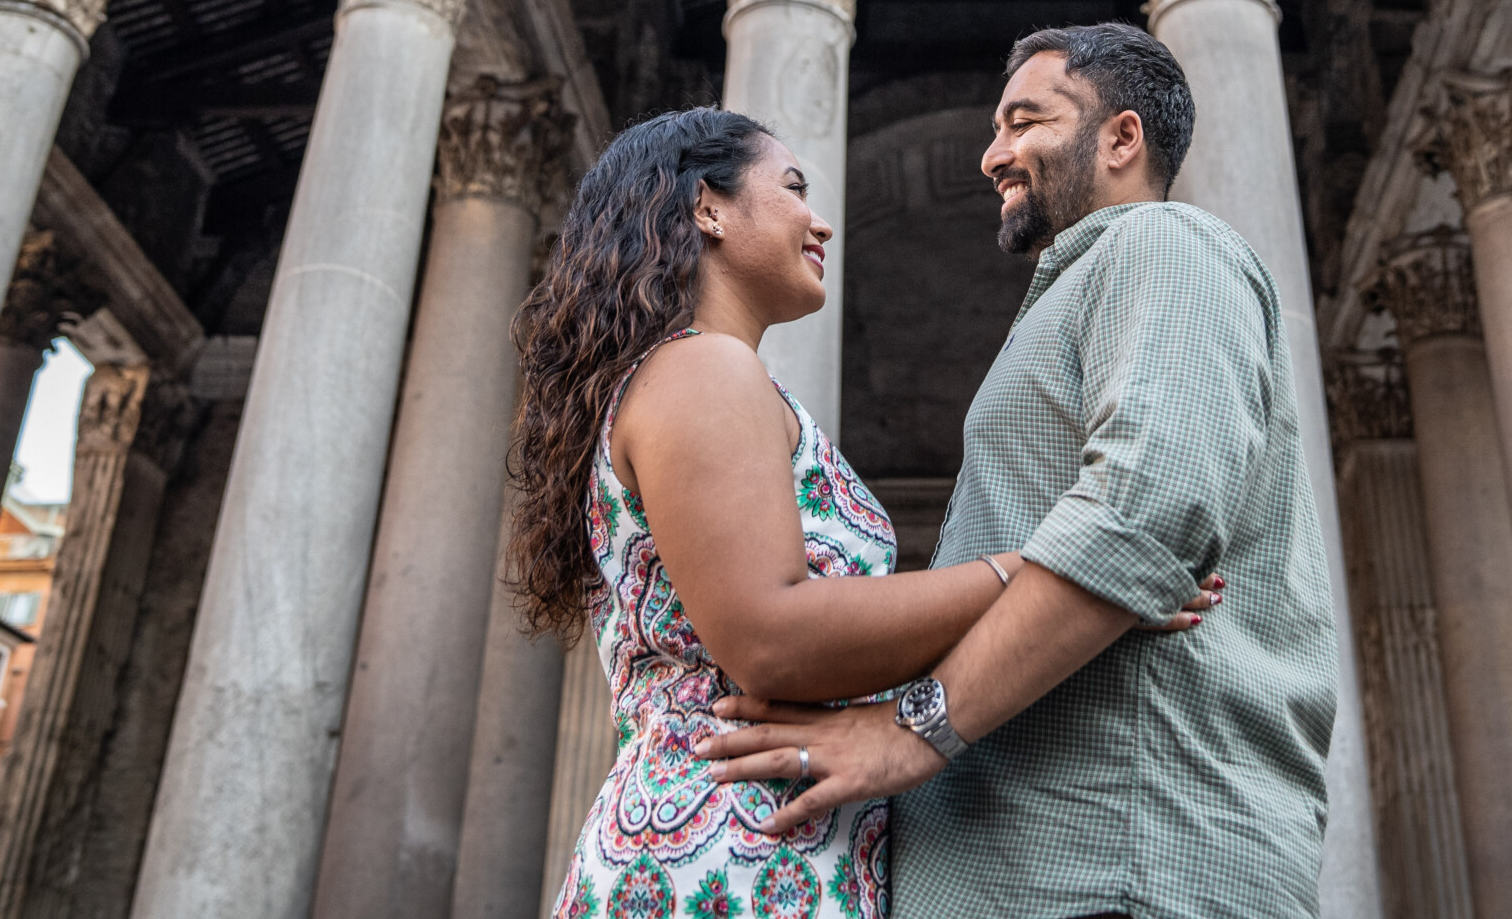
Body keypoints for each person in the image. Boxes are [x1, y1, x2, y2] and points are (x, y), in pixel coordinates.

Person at [506, 105, 1217, 919]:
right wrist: (1049, 571)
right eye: (795, 188)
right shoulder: (705, 368)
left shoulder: (692, 376)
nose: (822, 221)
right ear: (707, 206)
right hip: (727, 850)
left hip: (746, 836)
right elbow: (773, 635)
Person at [700, 21, 1337, 919]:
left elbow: (1141, 517)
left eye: (1025, 121)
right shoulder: (1092, 285)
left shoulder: (1166, 247)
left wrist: (908, 731)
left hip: (1115, 860)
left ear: (1123, 137)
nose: (993, 153)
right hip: (1050, 865)